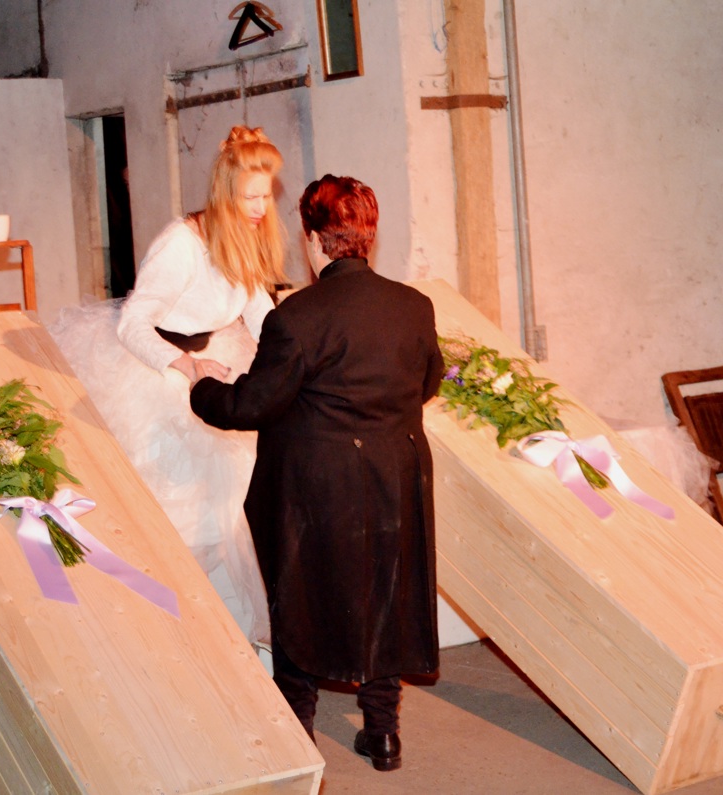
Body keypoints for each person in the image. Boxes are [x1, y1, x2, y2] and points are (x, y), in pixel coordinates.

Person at [188, 174, 444, 771]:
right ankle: (383, 735)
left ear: (311, 237)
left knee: (299, 598)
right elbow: (426, 383)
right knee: (386, 592)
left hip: (317, 485)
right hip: (395, 474)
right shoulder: (414, 305)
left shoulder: (297, 316)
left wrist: (202, 384)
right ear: (367, 235)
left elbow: (252, 405)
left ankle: (298, 736)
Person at [49, 126, 285, 648]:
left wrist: (299, 354)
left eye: (266, 197)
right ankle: (155, 627)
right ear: (225, 193)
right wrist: (184, 366)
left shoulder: (246, 236)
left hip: (215, 357)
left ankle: (221, 629)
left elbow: (260, 315)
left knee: (236, 494)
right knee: (171, 504)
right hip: (158, 365)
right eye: (250, 198)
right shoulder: (181, 243)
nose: (259, 208)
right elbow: (132, 322)